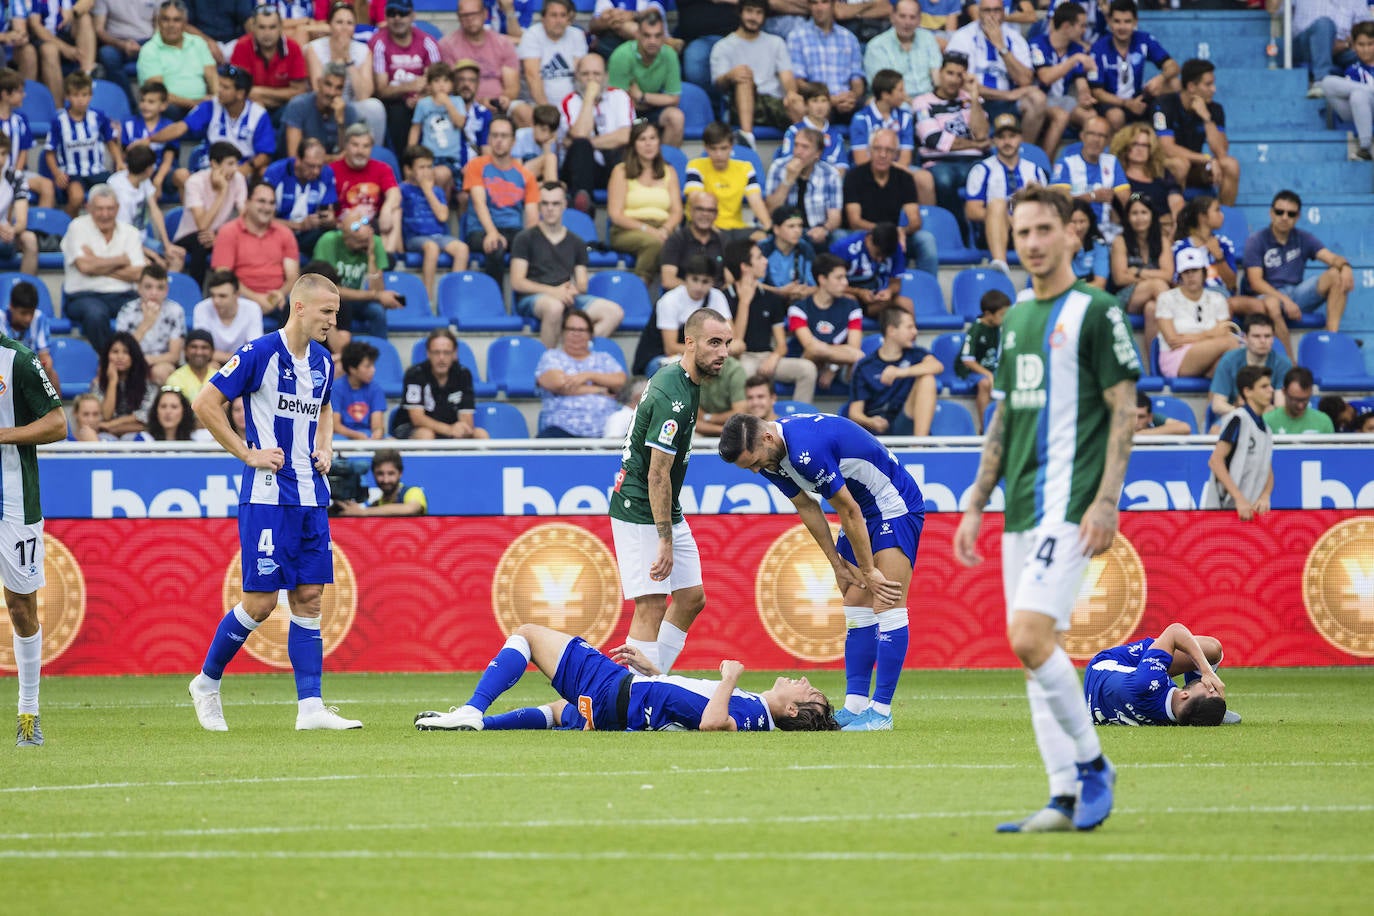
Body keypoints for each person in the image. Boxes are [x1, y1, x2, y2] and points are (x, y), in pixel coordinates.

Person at [953, 185, 1135, 833]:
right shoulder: (1019, 319)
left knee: (1028, 637)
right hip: (1020, 509)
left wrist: (1108, 499)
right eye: (1021, 231)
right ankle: (1061, 798)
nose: (1031, 242)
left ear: (1070, 235)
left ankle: (1092, 765)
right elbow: (1002, 416)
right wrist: (977, 498)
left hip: (1071, 504)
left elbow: (1122, 410)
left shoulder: (1097, 310)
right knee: (1038, 654)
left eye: (1042, 230)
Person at [188, 273, 361, 732]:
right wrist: (247, 452)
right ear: (300, 307)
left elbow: (324, 409)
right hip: (267, 497)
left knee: (308, 597)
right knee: (261, 602)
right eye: (327, 311)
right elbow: (205, 402)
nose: (333, 320)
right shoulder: (260, 353)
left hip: (312, 497)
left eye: (336, 313)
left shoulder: (324, 362)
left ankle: (311, 709)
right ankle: (206, 683)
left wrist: (325, 448)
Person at [720, 407, 924, 730]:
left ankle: (881, 712)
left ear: (768, 437)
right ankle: (856, 707)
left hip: (891, 502)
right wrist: (836, 565)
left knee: (887, 603)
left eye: (756, 462)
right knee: (856, 604)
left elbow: (848, 509)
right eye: (751, 468)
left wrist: (869, 570)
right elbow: (806, 505)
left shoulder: (805, 451)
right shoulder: (771, 455)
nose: (758, 471)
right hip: (860, 509)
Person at [412, 623, 837, 732]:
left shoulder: (749, 716)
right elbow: (687, 702)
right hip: (625, 702)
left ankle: (472, 710)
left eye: (807, 690)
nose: (801, 681)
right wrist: (655, 673)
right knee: (560, 712)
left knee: (527, 634)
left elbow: (710, 722)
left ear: (794, 708)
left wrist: (729, 676)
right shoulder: (755, 712)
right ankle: (480, 724)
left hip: (618, 691)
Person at [608, 307, 732, 676]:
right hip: (640, 507)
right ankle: (633, 699)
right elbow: (658, 475)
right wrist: (665, 539)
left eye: (726, 342)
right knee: (650, 606)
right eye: (714, 342)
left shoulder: (683, 381)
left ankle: (652, 680)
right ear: (690, 343)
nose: (723, 351)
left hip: (664, 508)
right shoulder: (672, 397)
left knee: (692, 598)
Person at [0, 306, 65, 747]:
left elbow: (59, 424)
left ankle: (28, 713)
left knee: (21, 606)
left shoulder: (19, 360)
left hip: (13, 500)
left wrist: (2, 434)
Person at [510, 181, 623, 348]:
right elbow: (517, 282)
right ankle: (548, 366)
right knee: (554, 307)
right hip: (534, 299)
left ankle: (571, 354)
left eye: (555, 203)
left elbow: (582, 283)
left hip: (567, 296)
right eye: (545, 203)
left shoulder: (576, 241)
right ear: (539, 206)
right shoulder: (524, 238)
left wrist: (571, 290)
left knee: (614, 312)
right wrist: (554, 292)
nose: (550, 208)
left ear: (564, 205)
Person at [1243, 189, 1353, 336]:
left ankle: (1332, 337)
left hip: (1296, 294)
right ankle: (1286, 355)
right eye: (1279, 212)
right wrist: (1284, 300)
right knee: (1271, 303)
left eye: (1291, 214)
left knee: (1335, 275)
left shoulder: (1303, 238)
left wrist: (1345, 267)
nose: (1284, 217)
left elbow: (1331, 258)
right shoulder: (1256, 240)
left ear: (1298, 217)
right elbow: (1256, 283)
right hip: (1268, 296)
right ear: (1271, 213)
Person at [722, 237, 818, 403]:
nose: (765, 261)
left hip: (767, 356)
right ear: (745, 267)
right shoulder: (723, 297)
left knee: (807, 369)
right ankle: (746, 424)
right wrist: (745, 302)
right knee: (742, 371)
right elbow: (736, 343)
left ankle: (798, 420)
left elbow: (781, 345)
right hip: (740, 358)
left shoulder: (771, 297)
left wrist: (773, 358)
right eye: (759, 257)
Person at [139, 64, 275, 178]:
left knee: (264, 171)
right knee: (182, 176)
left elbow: (265, 154)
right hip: (211, 164)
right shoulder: (210, 106)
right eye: (220, 85)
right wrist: (150, 139)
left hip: (242, 167)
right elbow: (180, 127)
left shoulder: (258, 114)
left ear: (240, 93)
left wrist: (242, 170)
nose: (219, 91)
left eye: (225, 88)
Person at [1084, 623, 1232, 726]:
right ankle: (1205, 712)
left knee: (1212, 649)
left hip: (1103, 668)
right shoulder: (1174, 717)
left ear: (1184, 695)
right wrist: (1208, 713)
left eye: (1210, 690)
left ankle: (1206, 708)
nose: (1211, 684)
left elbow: (1174, 631)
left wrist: (1206, 671)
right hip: (1102, 701)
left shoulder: (1148, 682)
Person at [946, 0, 1047, 148]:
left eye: (997, 10)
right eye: (987, 11)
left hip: (1009, 104)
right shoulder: (963, 37)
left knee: (1037, 99)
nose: (992, 16)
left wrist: (1001, 47)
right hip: (974, 102)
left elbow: (1025, 80)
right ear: (979, 13)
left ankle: (1023, 152)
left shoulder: (1015, 38)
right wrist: (1007, 95)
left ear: (1003, 13)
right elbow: (961, 83)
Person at [62, 183, 146, 353]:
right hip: (84, 296)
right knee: (96, 314)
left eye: (110, 209)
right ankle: (109, 362)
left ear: (117, 208)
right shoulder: (77, 227)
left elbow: (139, 273)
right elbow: (84, 267)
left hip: (124, 295)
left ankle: (137, 364)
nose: (105, 214)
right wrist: (121, 260)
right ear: (89, 207)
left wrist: (96, 262)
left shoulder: (130, 232)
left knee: (148, 308)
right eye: (99, 209)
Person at [843, 127, 938, 277]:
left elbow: (915, 220)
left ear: (896, 154)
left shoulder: (904, 177)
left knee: (926, 239)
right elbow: (855, 221)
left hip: (894, 235)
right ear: (869, 150)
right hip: (862, 234)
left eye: (889, 150)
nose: (882, 155)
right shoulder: (854, 176)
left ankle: (928, 290)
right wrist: (887, 231)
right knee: (839, 237)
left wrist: (901, 231)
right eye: (877, 149)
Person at [965, 113, 1048, 274]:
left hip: (1028, 228)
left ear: (1020, 138)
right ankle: (1000, 264)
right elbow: (972, 210)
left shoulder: (1035, 170)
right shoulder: (982, 169)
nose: (1007, 142)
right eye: (1001, 137)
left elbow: (1048, 209)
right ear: (994, 140)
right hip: (992, 230)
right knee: (997, 204)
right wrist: (1005, 216)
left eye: (1012, 136)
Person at [710, 0, 801, 148]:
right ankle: (748, 141)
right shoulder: (723, 46)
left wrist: (792, 94)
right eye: (749, 11)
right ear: (740, 12)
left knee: (797, 101)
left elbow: (787, 76)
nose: (754, 17)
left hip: (773, 102)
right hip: (740, 104)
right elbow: (718, 83)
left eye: (759, 13)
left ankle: (805, 150)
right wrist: (730, 75)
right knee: (743, 75)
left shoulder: (776, 42)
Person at [914, 51, 991, 224]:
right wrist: (976, 144)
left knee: (993, 175)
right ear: (940, 73)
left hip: (973, 163)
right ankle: (957, 230)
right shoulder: (923, 102)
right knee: (944, 180)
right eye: (950, 73)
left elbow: (982, 134)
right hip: (939, 164)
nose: (954, 80)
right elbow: (934, 139)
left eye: (959, 75)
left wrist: (973, 96)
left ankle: (984, 235)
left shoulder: (971, 101)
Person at [462, 115, 538, 290]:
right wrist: (492, 232)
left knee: (531, 247)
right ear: (488, 139)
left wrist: (532, 241)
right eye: (494, 136)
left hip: (513, 230)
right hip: (480, 230)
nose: (498, 141)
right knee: (495, 246)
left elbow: (532, 215)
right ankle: (496, 303)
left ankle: (527, 301)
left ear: (513, 140)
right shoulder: (476, 166)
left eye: (504, 136)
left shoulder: (525, 175)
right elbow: (479, 203)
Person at [1151, 58, 1238, 209]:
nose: (1214, 89)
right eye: (1208, 84)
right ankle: (1177, 219)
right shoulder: (1163, 105)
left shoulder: (1214, 110)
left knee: (1230, 165)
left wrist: (1207, 119)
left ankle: (1224, 216)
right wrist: (1206, 160)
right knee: (1180, 164)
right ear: (1191, 86)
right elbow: (1167, 149)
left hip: (1196, 166)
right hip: (1163, 166)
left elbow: (1221, 153)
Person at [211, 179, 301, 322]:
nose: (267, 207)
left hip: (277, 300)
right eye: (261, 201)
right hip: (241, 298)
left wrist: (279, 294)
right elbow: (224, 276)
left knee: (302, 309)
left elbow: (292, 278)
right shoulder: (228, 232)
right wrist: (256, 299)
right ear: (247, 203)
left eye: (271, 203)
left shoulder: (285, 233)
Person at [605, 120, 682, 288]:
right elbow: (615, 214)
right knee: (654, 243)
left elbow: (677, 211)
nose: (648, 144)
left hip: (663, 229)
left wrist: (664, 229)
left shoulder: (669, 171)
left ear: (659, 142)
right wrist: (649, 230)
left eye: (653, 138)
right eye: (642, 139)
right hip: (628, 230)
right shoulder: (621, 171)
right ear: (633, 144)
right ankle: (639, 289)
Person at [848, 306, 941, 436]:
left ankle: (920, 447)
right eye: (909, 327)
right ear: (892, 330)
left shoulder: (916, 354)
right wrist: (870, 421)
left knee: (927, 379)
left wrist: (900, 372)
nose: (915, 332)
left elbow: (937, 366)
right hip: (879, 430)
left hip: (906, 423)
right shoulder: (865, 366)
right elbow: (854, 413)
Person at [534, 307, 626, 438]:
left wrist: (588, 375)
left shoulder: (604, 358)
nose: (576, 334)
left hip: (605, 432)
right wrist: (599, 389)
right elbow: (558, 383)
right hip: (562, 430)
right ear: (562, 332)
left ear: (590, 334)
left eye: (582, 330)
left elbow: (621, 382)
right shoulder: (552, 357)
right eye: (571, 329)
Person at [1088, 0, 1177, 133]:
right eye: (1117, 21)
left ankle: (1165, 134)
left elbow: (1173, 66)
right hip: (1112, 101)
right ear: (1109, 22)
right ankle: (1118, 151)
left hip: (1138, 97)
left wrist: (1161, 78)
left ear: (1135, 22)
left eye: (1127, 21)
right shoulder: (1098, 48)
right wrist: (1126, 103)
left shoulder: (1144, 40)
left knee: (1175, 84)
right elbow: (1097, 92)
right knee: (1116, 116)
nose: (1122, 27)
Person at [1153, 246, 1240, 380]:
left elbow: (1223, 332)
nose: (1191, 275)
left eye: (1195, 270)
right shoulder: (1166, 298)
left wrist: (1191, 337)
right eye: (1186, 271)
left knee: (1222, 367)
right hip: (1176, 357)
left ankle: (1217, 400)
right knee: (1231, 343)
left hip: (1210, 356)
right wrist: (1209, 335)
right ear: (1180, 275)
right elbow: (1172, 340)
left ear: (1204, 272)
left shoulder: (1217, 298)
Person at [1202, 364, 1275, 521]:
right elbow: (1215, 461)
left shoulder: (1267, 429)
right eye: (1264, 386)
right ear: (1248, 392)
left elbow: (1267, 467)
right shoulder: (1238, 419)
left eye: (1270, 385)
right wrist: (1238, 498)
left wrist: (1265, 495)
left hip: (1247, 512)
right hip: (1223, 510)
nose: (1271, 390)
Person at [306, 1, 386, 141]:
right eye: (339, 22)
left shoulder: (363, 51)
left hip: (352, 106)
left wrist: (348, 59)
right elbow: (317, 88)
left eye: (349, 23)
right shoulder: (314, 48)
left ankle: (373, 154)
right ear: (329, 25)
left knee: (375, 106)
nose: (344, 28)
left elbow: (364, 94)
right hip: (322, 105)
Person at [400, 143, 471, 302]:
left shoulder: (437, 190)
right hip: (415, 237)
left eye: (429, 167)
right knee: (431, 248)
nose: (426, 171)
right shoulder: (402, 190)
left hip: (439, 236)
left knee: (462, 249)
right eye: (421, 167)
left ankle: (453, 298)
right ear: (408, 170)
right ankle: (427, 299)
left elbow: (443, 216)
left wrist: (428, 190)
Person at [369, 0, 442, 155]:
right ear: (386, 17)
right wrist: (409, 87)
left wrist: (422, 97)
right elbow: (381, 90)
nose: (397, 18)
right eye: (392, 13)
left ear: (412, 15)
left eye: (402, 13)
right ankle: (405, 167)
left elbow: (439, 81)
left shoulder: (428, 42)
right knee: (397, 112)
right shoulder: (379, 43)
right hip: (394, 103)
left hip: (426, 99)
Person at [45, 71, 122, 216]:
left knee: (117, 194)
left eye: (84, 95)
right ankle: (65, 228)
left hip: (97, 171)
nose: (80, 100)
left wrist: (119, 161)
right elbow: (49, 152)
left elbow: (110, 142)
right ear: (67, 96)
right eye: (75, 95)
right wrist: (57, 173)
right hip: (72, 172)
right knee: (76, 197)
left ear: (91, 96)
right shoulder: (59, 121)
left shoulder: (99, 116)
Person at [787, 252, 865, 393]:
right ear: (822, 279)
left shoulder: (852, 306)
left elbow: (855, 350)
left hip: (839, 366)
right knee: (814, 352)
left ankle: (857, 412)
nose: (845, 283)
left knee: (859, 361)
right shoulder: (798, 308)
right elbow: (810, 348)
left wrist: (832, 367)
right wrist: (837, 353)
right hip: (808, 362)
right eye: (839, 278)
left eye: (845, 277)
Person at [683, 122, 771, 245]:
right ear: (705, 147)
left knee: (763, 238)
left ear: (731, 147)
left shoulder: (745, 168)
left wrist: (769, 229)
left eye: (723, 148)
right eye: (713, 149)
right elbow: (695, 201)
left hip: (736, 228)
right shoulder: (695, 166)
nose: (719, 154)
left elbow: (756, 202)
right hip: (705, 228)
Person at [606, 9, 684, 148]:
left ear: (663, 36)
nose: (652, 41)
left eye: (657, 36)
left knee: (676, 117)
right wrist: (654, 100)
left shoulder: (669, 55)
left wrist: (641, 97)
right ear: (637, 35)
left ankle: (665, 165)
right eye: (647, 36)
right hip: (626, 112)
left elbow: (673, 99)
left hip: (651, 110)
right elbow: (618, 101)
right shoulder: (621, 56)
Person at [173, 142, 247, 286]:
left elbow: (244, 216)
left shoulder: (238, 179)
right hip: (189, 235)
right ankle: (196, 292)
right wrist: (222, 192)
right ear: (214, 164)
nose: (235, 169)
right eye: (230, 164)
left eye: (236, 164)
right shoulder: (195, 182)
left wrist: (221, 237)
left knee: (238, 242)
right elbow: (202, 225)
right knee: (201, 241)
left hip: (218, 233)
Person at [1029, 1, 1097, 158]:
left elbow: (1081, 82)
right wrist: (1074, 59)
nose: (1084, 30)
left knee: (1092, 118)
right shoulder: (1038, 44)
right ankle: (1044, 167)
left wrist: (1085, 95)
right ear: (1066, 26)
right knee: (1061, 115)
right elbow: (1045, 77)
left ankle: (1085, 165)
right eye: (1081, 26)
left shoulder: (1076, 49)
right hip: (1037, 100)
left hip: (1063, 100)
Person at [396, 327, 488, 441]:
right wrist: (449, 430)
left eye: (447, 352)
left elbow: (466, 418)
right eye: (436, 352)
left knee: (481, 434)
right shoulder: (415, 374)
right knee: (426, 435)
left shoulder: (463, 374)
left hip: (449, 425)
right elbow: (417, 418)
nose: (441, 358)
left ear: (455, 354)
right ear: (428, 354)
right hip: (412, 427)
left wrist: (461, 429)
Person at [439, 0, 521, 124]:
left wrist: (503, 99)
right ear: (458, 17)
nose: (470, 19)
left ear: (485, 14)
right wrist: (479, 102)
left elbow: (512, 87)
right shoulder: (447, 45)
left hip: (500, 104)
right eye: (465, 15)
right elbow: (450, 87)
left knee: (524, 112)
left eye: (474, 14)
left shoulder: (503, 43)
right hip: (463, 104)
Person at [786, 0, 866, 124]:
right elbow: (799, 83)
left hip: (846, 101)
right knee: (808, 106)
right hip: (815, 100)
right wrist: (828, 99)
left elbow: (857, 81)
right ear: (809, 6)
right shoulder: (796, 37)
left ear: (833, 5)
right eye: (814, 3)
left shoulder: (849, 38)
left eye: (824, 2)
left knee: (873, 106)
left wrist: (851, 98)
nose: (819, 8)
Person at [763, 126, 843, 249]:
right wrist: (788, 180)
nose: (798, 152)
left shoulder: (830, 174)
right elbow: (771, 210)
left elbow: (835, 217)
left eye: (805, 147)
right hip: (784, 231)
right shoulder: (778, 167)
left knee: (839, 236)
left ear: (817, 153)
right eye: (796, 145)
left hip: (815, 231)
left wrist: (824, 229)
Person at [136, 0, 216, 120]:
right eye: (165, 19)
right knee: (167, 108)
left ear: (185, 23)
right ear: (158, 22)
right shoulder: (149, 50)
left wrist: (216, 98)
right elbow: (157, 93)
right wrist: (194, 103)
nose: (171, 25)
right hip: (172, 107)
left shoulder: (198, 43)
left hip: (201, 104)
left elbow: (212, 77)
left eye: (176, 20)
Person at [329, 123, 403, 254]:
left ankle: (387, 256)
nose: (360, 151)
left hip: (370, 223)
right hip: (344, 225)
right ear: (345, 146)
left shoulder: (382, 168)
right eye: (355, 145)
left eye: (365, 146)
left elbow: (394, 193)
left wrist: (387, 208)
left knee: (395, 211)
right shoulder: (332, 170)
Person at [1109, 192, 1172, 344]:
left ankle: (1153, 365)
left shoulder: (1162, 241)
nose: (1139, 218)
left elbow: (1168, 274)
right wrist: (1155, 276)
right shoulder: (1120, 241)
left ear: (1152, 215)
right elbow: (1120, 278)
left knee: (1151, 309)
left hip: (1154, 297)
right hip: (1126, 297)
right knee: (1158, 284)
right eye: (1134, 213)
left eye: (1144, 212)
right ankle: (1178, 327)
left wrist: (1138, 271)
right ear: (1127, 217)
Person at [1051, 115, 1125, 244]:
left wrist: (1135, 196)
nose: (1096, 140)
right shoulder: (1066, 164)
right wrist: (1092, 196)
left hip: (1106, 231)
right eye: (1092, 134)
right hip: (1071, 230)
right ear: (1082, 136)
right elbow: (1057, 200)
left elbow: (1128, 198)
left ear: (1108, 141)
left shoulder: (1112, 162)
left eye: (1102, 136)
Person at [228, 4, 308, 119]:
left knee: (296, 107)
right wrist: (281, 95)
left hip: (284, 109)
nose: (267, 33)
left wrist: (260, 92)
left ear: (281, 27)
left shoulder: (293, 48)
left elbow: (299, 92)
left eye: (272, 27)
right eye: (262, 27)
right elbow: (239, 91)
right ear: (253, 27)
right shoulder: (242, 46)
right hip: (250, 107)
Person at [264, 137, 338, 257]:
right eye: (310, 166)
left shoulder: (327, 174)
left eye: (320, 166)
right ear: (298, 159)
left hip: (310, 236)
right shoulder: (275, 172)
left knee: (333, 236)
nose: (316, 172)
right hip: (277, 234)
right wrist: (299, 226)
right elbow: (263, 220)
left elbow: (329, 211)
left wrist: (329, 220)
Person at [1208, 314, 1291, 422]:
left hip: (1269, 418)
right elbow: (1218, 405)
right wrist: (1246, 413)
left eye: (1267, 336)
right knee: (1216, 430)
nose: (1262, 341)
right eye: (1256, 336)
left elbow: (1280, 407)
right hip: (1234, 415)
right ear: (1245, 338)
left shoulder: (1283, 364)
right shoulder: (1229, 360)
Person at [653, 254, 731, 366]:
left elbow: (730, 336)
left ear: (712, 282)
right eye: (694, 280)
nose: (699, 287)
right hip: (660, 357)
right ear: (686, 278)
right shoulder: (670, 300)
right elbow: (670, 348)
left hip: (703, 354)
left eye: (705, 282)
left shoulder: (717, 297)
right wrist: (710, 350)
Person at [114, 263, 185, 385]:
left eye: (160, 288)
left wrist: (148, 360)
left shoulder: (175, 311)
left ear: (166, 290)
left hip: (161, 363)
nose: (154, 293)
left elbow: (174, 356)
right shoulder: (127, 310)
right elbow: (121, 351)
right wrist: (145, 325)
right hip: (130, 362)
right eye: (148, 287)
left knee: (160, 371)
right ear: (139, 288)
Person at [517, 0, 587, 115]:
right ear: (543, 18)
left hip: (572, 104)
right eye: (553, 15)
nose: (558, 21)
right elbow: (532, 77)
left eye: (563, 15)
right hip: (537, 104)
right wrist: (548, 112)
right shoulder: (532, 35)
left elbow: (579, 75)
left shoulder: (577, 35)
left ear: (568, 19)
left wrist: (575, 107)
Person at [406, 62, 465, 194]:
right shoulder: (423, 104)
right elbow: (416, 128)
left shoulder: (457, 101)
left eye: (446, 80)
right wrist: (411, 152)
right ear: (429, 85)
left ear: (452, 84)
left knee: (444, 178)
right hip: (429, 156)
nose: (441, 85)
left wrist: (447, 103)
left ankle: (442, 210)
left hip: (451, 157)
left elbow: (460, 123)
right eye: (436, 81)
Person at [831, 223, 913, 318]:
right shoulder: (843, 248)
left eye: (884, 257)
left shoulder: (895, 249)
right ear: (869, 239)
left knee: (906, 303)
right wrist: (858, 292)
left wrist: (889, 291)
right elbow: (831, 285)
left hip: (875, 300)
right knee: (850, 300)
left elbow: (896, 283)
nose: (879, 259)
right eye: (878, 253)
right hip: (848, 295)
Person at [864, 1, 942, 99]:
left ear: (919, 19)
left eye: (912, 17)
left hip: (929, 102)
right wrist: (914, 105)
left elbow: (937, 77)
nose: (907, 22)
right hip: (895, 103)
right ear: (892, 17)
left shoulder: (928, 38)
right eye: (902, 16)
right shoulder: (877, 46)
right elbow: (881, 88)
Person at [1321, 19, 1374, 160]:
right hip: (1360, 111)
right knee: (1327, 82)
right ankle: (1365, 147)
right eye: (1361, 45)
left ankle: (1366, 147)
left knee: (1358, 95)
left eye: (1370, 44)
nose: (1366, 49)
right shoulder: (1352, 69)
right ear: (1354, 46)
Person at [957, 288, 1009, 431]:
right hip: (972, 370)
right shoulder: (976, 328)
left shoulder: (1002, 327)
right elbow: (967, 360)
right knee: (985, 383)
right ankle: (985, 428)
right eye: (1002, 314)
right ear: (988, 314)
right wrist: (988, 374)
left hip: (992, 368)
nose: (1006, 317)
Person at [1293, 0, 1369, 97]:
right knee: (1324, 24)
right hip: (1305, 46)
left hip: (1343, 48)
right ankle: (1321, 81)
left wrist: (1346, 44)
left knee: (1367, 49)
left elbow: (1365, 28)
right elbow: (1274, 10)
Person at [282, 62, 356, 159]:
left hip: (332, 171)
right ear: (319, 83)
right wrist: (334, 159)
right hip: (298, 171)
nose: (332, 92)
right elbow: (294, 156)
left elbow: (349, 156)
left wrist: (341, 124)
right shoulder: (298, 106)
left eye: (339, 88)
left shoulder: (349, 111)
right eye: (328, 84)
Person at [1111, 122, 1182, 219]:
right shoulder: (1118, 175)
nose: (1140, 149)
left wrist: (1175, 220)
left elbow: (1175, 196)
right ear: (1125, 147)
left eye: (1145, 145)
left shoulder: (1161, 172)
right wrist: (1140, 196)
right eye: (1135, 144)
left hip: (1166, 223)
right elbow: (1129, 200)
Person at [93, 331, 157, 439]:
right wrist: (112, 382)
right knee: (104, 438)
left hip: (135, 431)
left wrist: (111, 425)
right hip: (107, 434)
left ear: (133, 356)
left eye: (126, 352)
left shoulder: (148, 384)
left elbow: (143, 416)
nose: (120, 357)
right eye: (115, 352)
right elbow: (105, 416)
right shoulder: (98, 384)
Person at [194, 269, 264, 364]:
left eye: (222, 296)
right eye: (213, 295)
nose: (216, 301)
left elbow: (255, 350)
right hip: (214, 362)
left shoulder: (252, 309)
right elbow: (201, 351)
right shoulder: (201, 308)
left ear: (237, 294)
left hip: (243, 364)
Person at [0, 282, 59, 395]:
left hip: (31, 371)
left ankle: (54, 412)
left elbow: (45, 356)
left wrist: (44, 366)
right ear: (11, 307)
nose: (28, 318)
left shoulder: (39, 318)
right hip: (3, 371)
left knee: (53, 375)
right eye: (23, 313)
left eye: (31, 313)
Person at [850, 69, 915, 169]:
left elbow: (905, 160)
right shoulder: (860, 119)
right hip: (868, 173)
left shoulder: (906, 117)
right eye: (901, 90)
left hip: (898, 172)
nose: (904, 95)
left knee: (924, 177)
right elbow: (861, 161)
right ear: (885, 95)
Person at [660, 191, 724, 291]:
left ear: (716, 214)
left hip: (714, 302)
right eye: (700, 209)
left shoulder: (722, 240)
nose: (705, 214)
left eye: (710, 210)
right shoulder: (676, 240)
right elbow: (668, 280)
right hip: (682, 300)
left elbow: (730, 280)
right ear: (690, 211)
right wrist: (699, 290)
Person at [336, 448, 428, 516]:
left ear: (400, 473)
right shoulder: (376, 505)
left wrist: (364, 512)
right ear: (373, 474)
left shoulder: (412, 492)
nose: (385, 480)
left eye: (391, 473)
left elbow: (411, 508)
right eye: (380, 474)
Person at [330, 338, 386, 440]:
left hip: (367, 435)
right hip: (342, 437)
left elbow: (377, 426)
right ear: (352, 369)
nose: (373, 370)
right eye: (367, 366)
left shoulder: (376, 389)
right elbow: (335, 426)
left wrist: (376, 437)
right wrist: (357, 436)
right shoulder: (336, 389)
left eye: (373, 365)